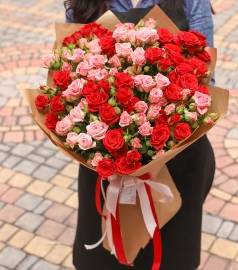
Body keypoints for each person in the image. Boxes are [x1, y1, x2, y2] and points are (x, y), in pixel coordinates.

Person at [64, 1, 215, 269]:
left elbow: (206, 81)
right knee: (100, 260)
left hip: (177, 166)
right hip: (103, 166)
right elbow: (69, 72)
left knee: (171, 258)